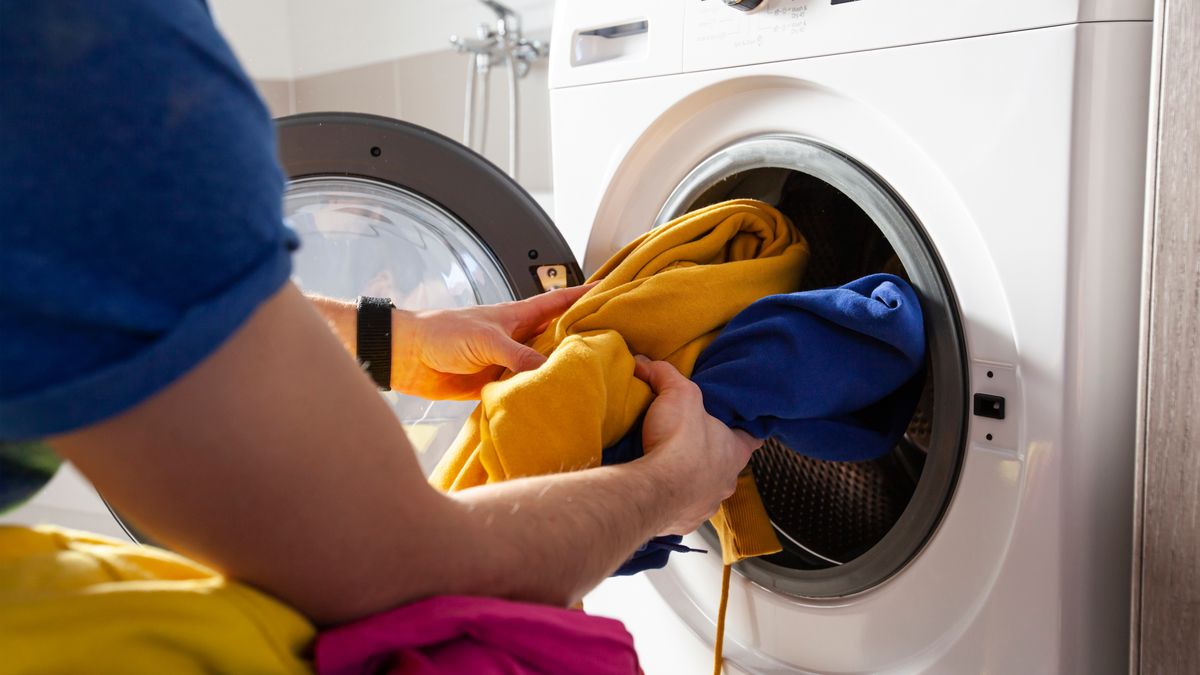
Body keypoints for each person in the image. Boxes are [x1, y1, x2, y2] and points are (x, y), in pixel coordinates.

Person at [0, 0, 758, 630]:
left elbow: (129, 296)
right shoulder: (89, 55)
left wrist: (397, 341)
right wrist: (668, 485)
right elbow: (395, 571)